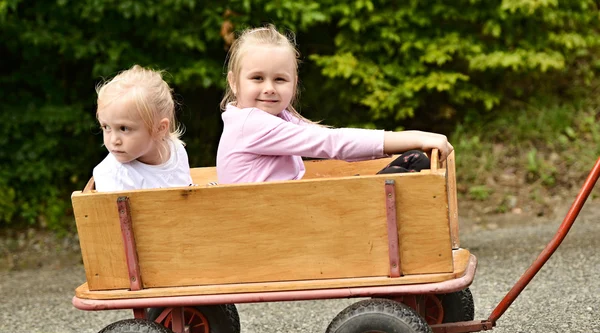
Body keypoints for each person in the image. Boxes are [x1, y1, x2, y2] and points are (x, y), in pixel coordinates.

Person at [216, 25, 453, 185]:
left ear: (294, 83)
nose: (269, 88)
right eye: (257, 78)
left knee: (413, 162)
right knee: (395, 182)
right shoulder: (250, 124)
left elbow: (327, 138)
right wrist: (416, 137)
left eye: (279, 79)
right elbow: (332, 143)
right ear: (234, 83)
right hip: (263, 226)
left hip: (282, 216)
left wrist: (399, 148)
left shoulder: (281, 119)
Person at [93, 65, 192, 192]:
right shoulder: (114, 176)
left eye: (124, 128)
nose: (114, 140)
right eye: (106, 127)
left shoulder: (176, 150)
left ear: (160, 129)